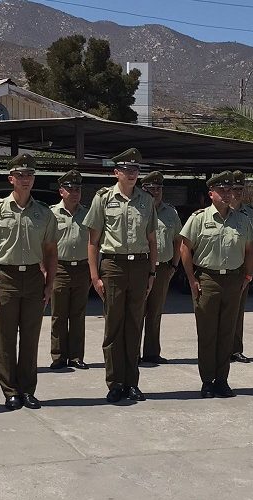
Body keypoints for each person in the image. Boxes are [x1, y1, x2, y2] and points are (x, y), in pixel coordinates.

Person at [0, 153, 57, 410]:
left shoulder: (44, 213)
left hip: (34, 277)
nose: (26, 180)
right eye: (20, 175)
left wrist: (49, 283)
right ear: (11, 178)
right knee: (7, 337)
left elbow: (51, 251)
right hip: (6, 277)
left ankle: (28, 389)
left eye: (30, 175)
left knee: (31, 337)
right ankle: (10, 390)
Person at [84, 148, 157, 403]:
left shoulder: (146, 201)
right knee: (114, 327)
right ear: (116, 172)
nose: (132, 174)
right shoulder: (103, 198)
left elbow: (152, 240)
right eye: (127, 169)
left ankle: (132, 382)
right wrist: (95, 275)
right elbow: (93, 241)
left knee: (134, 325)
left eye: (135, 170)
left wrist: (151, 271)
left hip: (138, 266)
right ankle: (115, 383)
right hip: (113, 266)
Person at [179, 171, 253, 398]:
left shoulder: (242, 220)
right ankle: (207, 380)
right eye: (221, 190)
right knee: (207, 332)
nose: (227, 194)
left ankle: (222, 379)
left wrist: (248, 276)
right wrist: (192, 279)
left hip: (233, 280)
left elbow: (251, 249)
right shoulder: (199, 218)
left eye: (229, 190)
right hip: (208, 280)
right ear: (211, 194)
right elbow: (185, 248)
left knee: (227, 333)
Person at [49, 169, 90, 370]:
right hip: (60, 269)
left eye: (77, 189)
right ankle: (58, 356)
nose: (74, 192)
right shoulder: (51, 214)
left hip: (82, 268)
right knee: (58, 314)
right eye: (70, 189)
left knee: (78, 314)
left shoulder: (88, 214)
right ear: (61, 192)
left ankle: (75, 356)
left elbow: (95, 243)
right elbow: (45, 245)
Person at [140, 170, 182, 364]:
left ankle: (151, 352)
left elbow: (177, 240)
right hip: (140, 268)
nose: (156, 192)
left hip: (163, 268)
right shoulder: (139, 210)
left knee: (155, 312)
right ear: (143, 190)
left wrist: (174, 265)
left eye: (159, 188)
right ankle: (132, 353)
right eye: (152, 188)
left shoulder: (171, 212)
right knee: (136, 312)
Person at [230, 170, 253, 363]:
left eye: (240, 189)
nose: (237, 193)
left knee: (238, 311)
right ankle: (221, 349)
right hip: (223, 267)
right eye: (234, 189)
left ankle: (235, 349)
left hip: (242, 268)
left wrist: (251, 271)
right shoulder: (219, 211)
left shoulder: (249, 213)